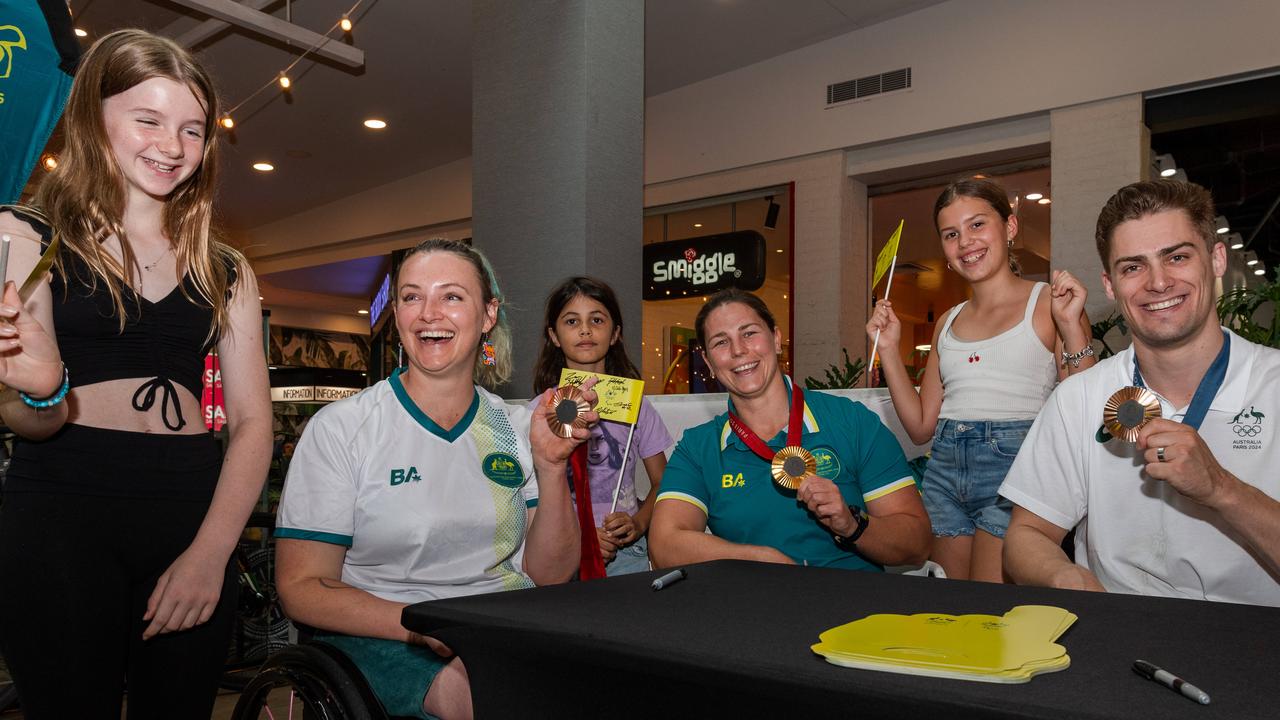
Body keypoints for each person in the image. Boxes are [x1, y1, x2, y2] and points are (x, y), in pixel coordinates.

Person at [0, 29, 272, 718]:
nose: (173, 146)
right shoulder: (27, 236)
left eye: (192, 129)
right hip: (61, 505)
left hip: (188, 506)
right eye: (148, 120)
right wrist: (43, 390)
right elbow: (31, 423)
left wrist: (213, 554)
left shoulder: (227, 267)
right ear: (96, 117)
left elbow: (251, 424)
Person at [274, 239, 586, 720]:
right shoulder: (342, 428)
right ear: (396, 313)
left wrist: (551, 466)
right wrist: (418, 628)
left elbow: (550, 574)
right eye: (412, 296)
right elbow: (301, 586)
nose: (428, 313)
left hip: (503, 624)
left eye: (452, 296)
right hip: (386, 632)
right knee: (478, 693)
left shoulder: (515, 425)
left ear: (488, 314)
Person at [1000, 179, 1280, 606]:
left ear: (1217, 258)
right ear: (1111, 286)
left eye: (1178, 257)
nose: (1158, 282)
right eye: (1133, 267)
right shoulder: (1080, 398)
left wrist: (1220, 488)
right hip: (1119, 638)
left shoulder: (1273, 384)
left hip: (1251, 649)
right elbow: (1027, 534)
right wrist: (1062, 575)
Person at [865, 179, 1094, 582]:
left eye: (977, 225)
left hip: (1018, 473)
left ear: (1010, 227)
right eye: (951, 234)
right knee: (953, 612)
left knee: (992, 614)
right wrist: (889, 350)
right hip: (944, 474)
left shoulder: (1049, 303)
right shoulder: (948, 323)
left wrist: (1072, 328)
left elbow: (1087, 407)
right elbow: (920, 428)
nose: (965, 241)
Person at [649, 289, 930, 570]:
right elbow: (664, 546)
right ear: (710, 364)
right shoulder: (699, 447)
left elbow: (916, 545)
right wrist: (764, 561)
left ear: (776, 339)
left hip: (857, 606)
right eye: (721, 342)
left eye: (749, 333)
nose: (738, 350)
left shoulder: (852, 422)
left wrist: (851, 525)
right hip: (754, 605)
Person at [532, 276, 673, 576]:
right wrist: (578, 537)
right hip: (559, 550)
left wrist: (638, 524)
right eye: (571, 321)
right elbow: (527, 494)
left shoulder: (637, 406)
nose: (585, 329)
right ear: (554, 336)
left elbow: (664, 481)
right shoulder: (540, 412)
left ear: (615, 334)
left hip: (625, 550)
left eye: (597, 319)